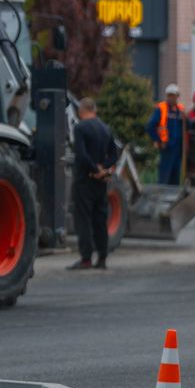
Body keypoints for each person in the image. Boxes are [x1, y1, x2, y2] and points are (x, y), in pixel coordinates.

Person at [69, 97, 119, 271]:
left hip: (85, 180)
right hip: (101, 183)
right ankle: (103, 257)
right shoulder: (106, 128)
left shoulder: (80, 128)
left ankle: (86, 259)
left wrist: (94, 169)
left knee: (83, 219)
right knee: (100, 219)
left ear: (82, 111)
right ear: (95, 110)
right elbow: (114, 154)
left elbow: (81, 155)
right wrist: (104, 169)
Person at [145, 84, 185, 185]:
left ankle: (174, 200)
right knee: (164, 177)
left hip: (178, 149)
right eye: (169, 95)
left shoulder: (180, 110)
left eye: (174, 96)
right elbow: (150, 127)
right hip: (167, 148)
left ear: (177, 97)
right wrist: (158, 140)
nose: (171, 98)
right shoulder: (161, 109)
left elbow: (186, 125)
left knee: (175, 179)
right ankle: (161, 199)